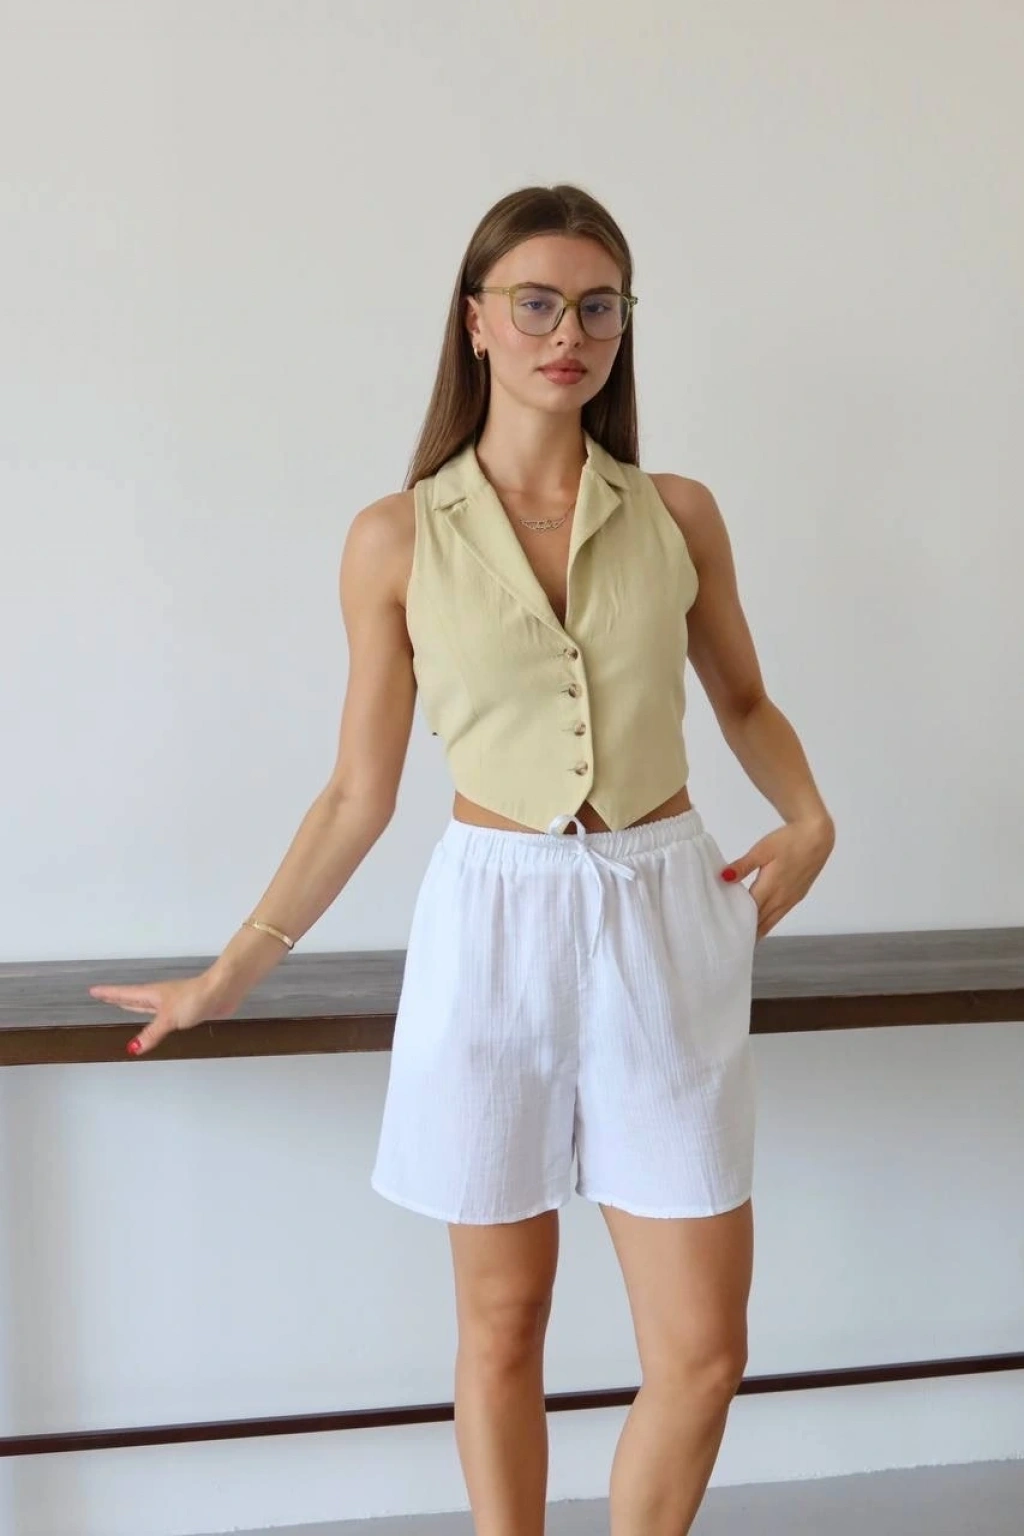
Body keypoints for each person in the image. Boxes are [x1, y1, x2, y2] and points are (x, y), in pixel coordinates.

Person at [90, 183, 835, 1536]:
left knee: (703, 1350)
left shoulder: (678, 513)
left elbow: (740, 698)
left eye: (597, 307)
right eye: (537, 303)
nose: (569, 333)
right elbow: (356, 793)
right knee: (503, 1325)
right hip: (492, 929)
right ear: (477, 321)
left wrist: (813, 814)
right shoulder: (396, 536)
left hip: (665, 909)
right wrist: (226, 974)